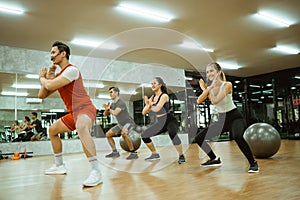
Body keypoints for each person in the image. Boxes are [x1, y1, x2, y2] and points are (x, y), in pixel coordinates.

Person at [38, 41, 102, 187]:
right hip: (74, 112)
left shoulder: (71, 70)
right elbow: (42, 94)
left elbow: (48, 85)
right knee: (52, 130)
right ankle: (59, 166)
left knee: (81, 128)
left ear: (63, 53)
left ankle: (96, 171)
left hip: (86, 109)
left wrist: (42, 78)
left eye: (53, 52)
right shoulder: (61, 75)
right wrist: (47, 79)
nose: (51, 56)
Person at [195, 62, 259, 173]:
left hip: (234, 117)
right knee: (199, 138)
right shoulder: (211, 88)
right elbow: (198, 100)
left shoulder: (227, 85)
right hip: (221, 119)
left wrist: (205, 88)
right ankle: (214, 158)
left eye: (211, 71)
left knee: (237, 136)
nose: (209, 74)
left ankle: (253, 163)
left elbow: (215, 100)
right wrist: (206, 88)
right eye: (207, 72)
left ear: (218, 72)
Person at [141, 77, 186, 164]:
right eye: (152, 83)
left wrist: (149, 106)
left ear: (160, 85)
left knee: (172, 134)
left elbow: (158, 108)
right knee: (144, 135)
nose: (152, 85)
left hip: (169, 120)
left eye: (154, 83)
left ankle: (181, 155)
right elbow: (143, 112)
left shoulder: (164, 96)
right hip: (160, 122)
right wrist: (148, 105)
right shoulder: (152, 97)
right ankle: (155, 154)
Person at [102, 87, 138, 160]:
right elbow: (105, 114)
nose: (110, 94)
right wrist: (107, 109)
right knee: (108, 134)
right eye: (109, 92)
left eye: (111, 92)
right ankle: (115, 152)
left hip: (129, 123)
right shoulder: (112, 104)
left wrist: (109, 109)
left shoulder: (121, 103)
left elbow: (115, 113)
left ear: (116, 92)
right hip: (121, 124)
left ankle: (133, 153)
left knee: (123, 133)